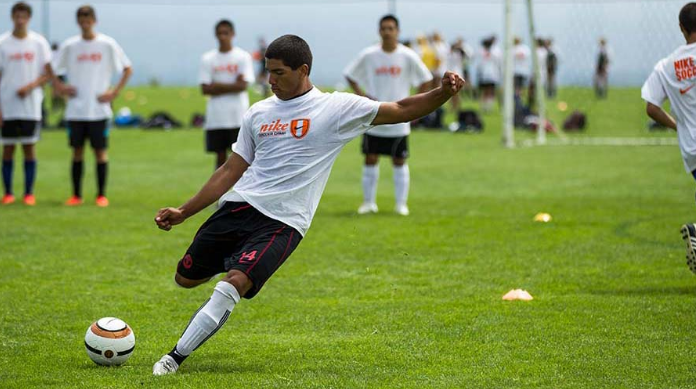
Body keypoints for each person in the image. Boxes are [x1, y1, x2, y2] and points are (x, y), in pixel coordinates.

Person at [151, 34, 464, 375]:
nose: (270, 80)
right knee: (185, 279)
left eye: (279, 73)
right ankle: (232, 260)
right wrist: (185, 211)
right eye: (267, 72)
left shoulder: (336, 108)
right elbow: (230, 169)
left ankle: (174, 358)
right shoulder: (258, 112)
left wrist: (443, 93)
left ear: (303, 70)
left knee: (234, 282)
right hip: (238, 207)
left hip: (283, 222)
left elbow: (402, 109)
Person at [641, 2, 696, 274]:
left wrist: (678, 126)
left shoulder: (666, 66)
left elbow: (651, 106)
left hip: (694, 155)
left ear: (681, 28)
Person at [344, 15, 433, 215]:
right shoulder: (369, 54)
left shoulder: (408, 55)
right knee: (370, 158)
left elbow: (425, 78)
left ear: (397, 31)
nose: (387, 32)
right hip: (373, 116)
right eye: (384, 28)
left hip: (400, 118)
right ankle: (368, 203)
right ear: (379, 31)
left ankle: (401, 204)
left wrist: (415, 104)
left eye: (391, 28)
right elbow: (350, 74)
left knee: (399, 160)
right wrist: (362, 97)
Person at [51, 5, 132, 207]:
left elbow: (127, 68)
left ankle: (101, 195)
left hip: (99, 111)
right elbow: (50, 68)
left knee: (100, 152)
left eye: (88, 19)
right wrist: (60, 86)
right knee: (77, 152)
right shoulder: (70, 45)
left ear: (94, 21)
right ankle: (76, 195)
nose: (85, 23)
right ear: (78, 22)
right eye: (82, 19)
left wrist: (114, 92)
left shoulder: (107, 44)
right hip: (76, 110)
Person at [0, 2, 51, 206]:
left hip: (30, 106)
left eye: (24, 17)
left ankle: (29, 193)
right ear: (12, 17)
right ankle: (9, 193)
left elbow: (47, 73)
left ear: (28, 18)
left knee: (29, 147)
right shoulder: (3, 42)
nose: (20, 20)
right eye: (17, 16)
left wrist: (30, 87)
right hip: (8, 106)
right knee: (8, 148)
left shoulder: (38, 43)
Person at [199, 20, 255, 170]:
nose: (222, 37)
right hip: (216, 116)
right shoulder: (208, 58)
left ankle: (242, 191)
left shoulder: (242, 57)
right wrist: (232, 85)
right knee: (220, 158)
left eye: (226, 33)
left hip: (238, 115)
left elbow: (243, 86)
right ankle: (219, 191)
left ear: (232, 34)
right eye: (219, 33)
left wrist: (216, 85)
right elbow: (205, 89)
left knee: (242, 157)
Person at [476, 35, 502, 112]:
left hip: (487, 74)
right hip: (490, 74)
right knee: (490, 91)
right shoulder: (495, 51)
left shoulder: (485, 51)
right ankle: (487, 106)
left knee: (486, 91)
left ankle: (486, 106)